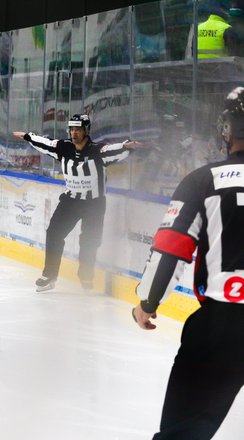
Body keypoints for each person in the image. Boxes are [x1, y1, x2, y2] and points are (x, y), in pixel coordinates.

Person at [133, 86, 244, 439]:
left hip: (222, 327)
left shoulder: (202, 181)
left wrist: (148, 303)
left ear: (226, 129)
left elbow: (170, 247)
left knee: (183, 432)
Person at [13, 114, 142, 292]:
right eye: (72, 129)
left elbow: (112, 150)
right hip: (70, 201)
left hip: (94, 204)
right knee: (54, 233)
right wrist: (28, 136)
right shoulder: (63, 147)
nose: (74, 133)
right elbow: (46, 143)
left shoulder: (97, 151)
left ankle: (86, 276)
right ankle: (49, 276)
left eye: (78, 129)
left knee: (90, 240)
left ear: (86, 130)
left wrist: (127, 146)